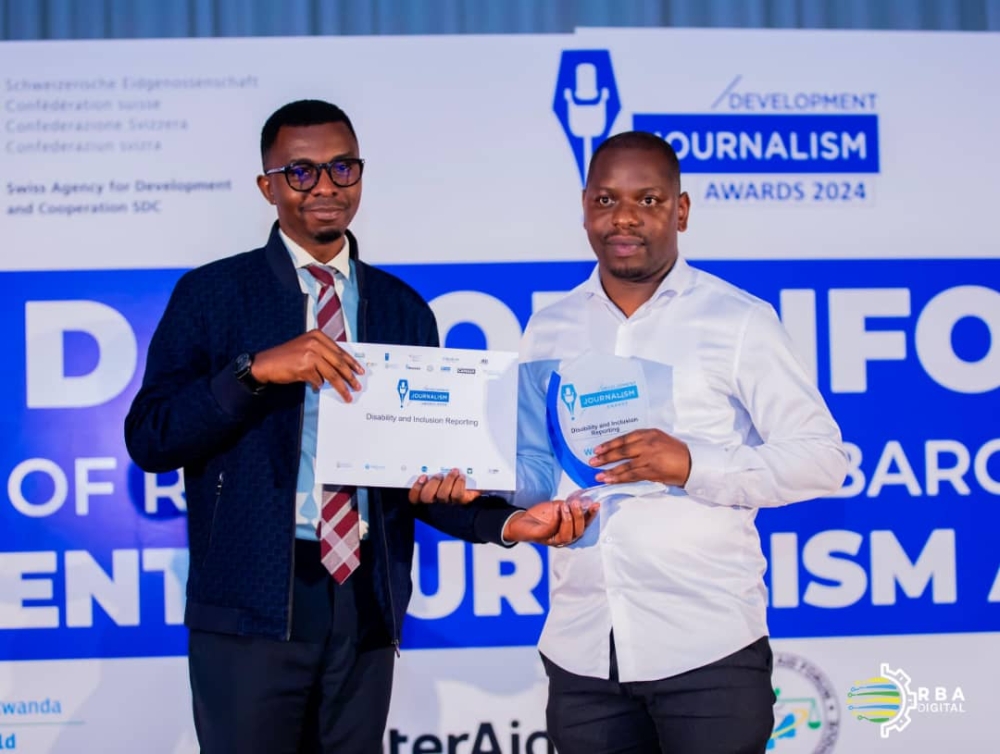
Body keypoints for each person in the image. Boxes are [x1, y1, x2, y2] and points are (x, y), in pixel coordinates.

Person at [124, 99, 595, 754]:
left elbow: (425, 477)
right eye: (302, 172)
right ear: (268, 186)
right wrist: (254, 371)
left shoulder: (401, 310)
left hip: (364, 603)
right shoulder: (212, 296)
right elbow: (151, 437)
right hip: (249, 609)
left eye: (342, 168)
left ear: (361, 175)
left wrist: (504, 523)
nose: (325, 187)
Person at [513, 131, 849, 754]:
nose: (625, 218)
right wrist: (484, 495)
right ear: (584, 206)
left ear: (682, 210)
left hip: (707, 651)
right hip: (583, 651)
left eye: (649, 199)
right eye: (607, 200)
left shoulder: (739, 321)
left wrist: (692, 463)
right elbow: (531, 466)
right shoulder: (549, 326)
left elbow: (824, 460)